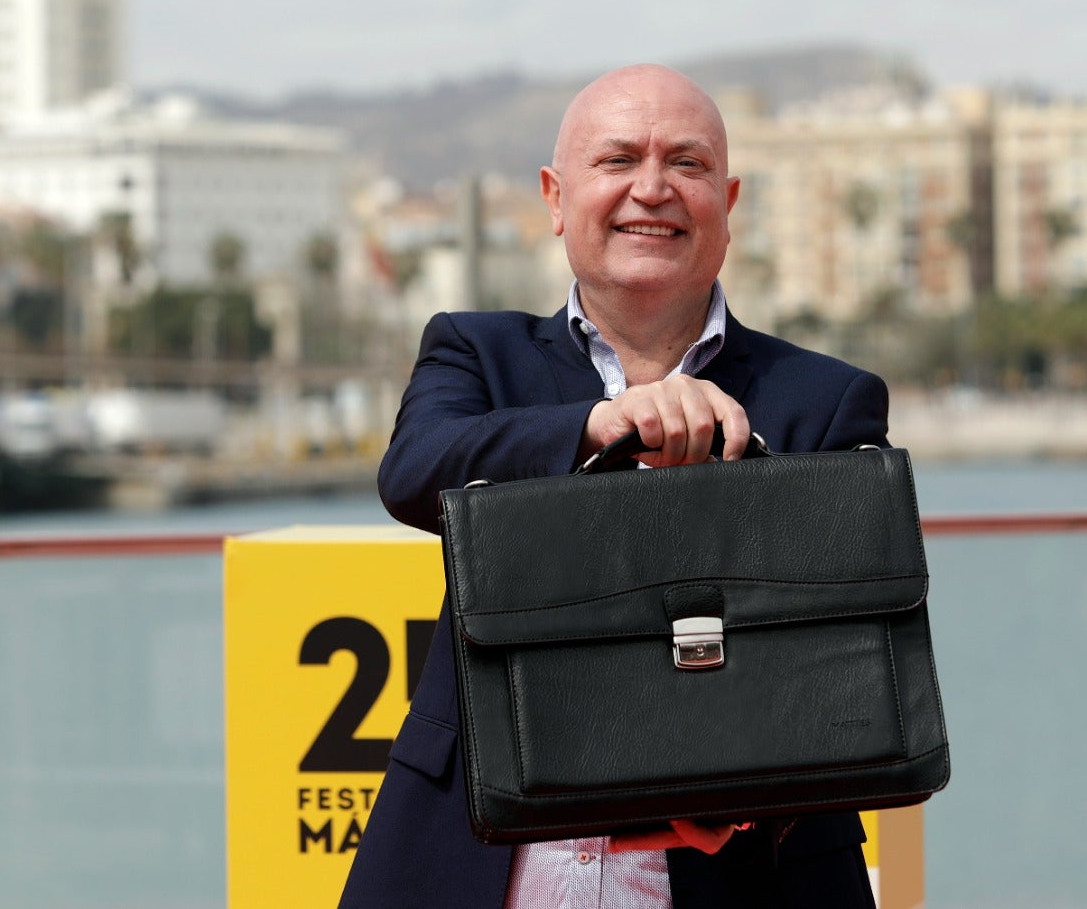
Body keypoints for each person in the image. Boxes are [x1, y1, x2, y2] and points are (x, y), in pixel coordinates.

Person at [339, 64, 888, 909]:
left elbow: (845, 648)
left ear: (728, 204)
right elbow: (415, 473)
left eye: (688, 164)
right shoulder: (473, 352)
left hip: (745, 875)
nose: (653, 189)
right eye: (619, 159)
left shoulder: (828, 399)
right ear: (556, 199)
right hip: (471, 861)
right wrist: (603, 425)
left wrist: (727, 468)